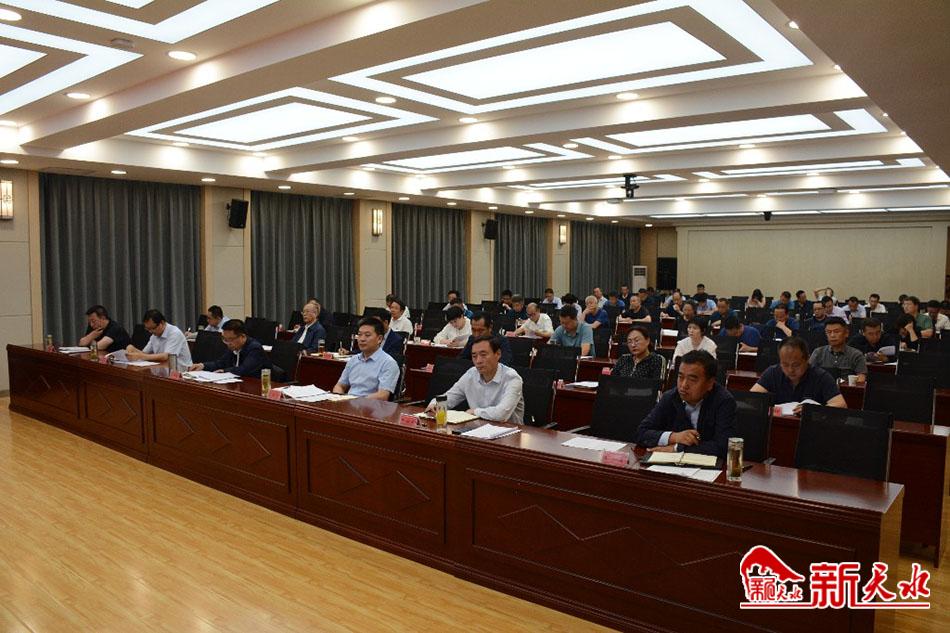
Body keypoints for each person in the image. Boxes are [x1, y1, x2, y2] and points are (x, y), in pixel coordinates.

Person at [635, 350, 736, 458]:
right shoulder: (670, 397)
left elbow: (724, 447)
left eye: (692, 379)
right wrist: (674, 437)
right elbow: (641, 433)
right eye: (680, 377)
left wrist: (677, 448)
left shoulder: (724, 402)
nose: (683, 385)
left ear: (710, 383)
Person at [428, 335, 524, 423]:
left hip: (508, 432)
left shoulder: (512, 378)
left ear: (498, 354)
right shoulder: (471, 374)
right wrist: (435, 404)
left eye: (483, 355)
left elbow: (502, 414)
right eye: (474, 356)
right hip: (476, 429)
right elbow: (450, 396)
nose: (478, 361)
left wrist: (474, 412)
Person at [751, 337, 846, 410]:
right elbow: (752, 398)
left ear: (807, 359)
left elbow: (841, 405)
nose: (790, 370)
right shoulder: (773, 372)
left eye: (796, 365)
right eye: (785, 364)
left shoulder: (821, 376)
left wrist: (811, 410)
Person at [331, 318, 400, 400]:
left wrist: (354, 401)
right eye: (359, 335)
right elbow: (340, 386)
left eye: (367, 335)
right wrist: (338, 398)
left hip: (370, 406)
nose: (362, 339)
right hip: (348, 403)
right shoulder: (353, 359)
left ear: (379, 339)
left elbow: (382, 396)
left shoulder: (388, 363)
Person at [188, 318, 270, 377]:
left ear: (242, 336)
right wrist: (203, 366)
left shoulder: (254, 348)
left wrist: (224, 371)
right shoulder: (233, 347)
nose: (228, 343)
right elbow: (220, 363)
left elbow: (244, 369)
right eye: (225, 339)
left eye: (230, 339)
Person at [126, 309, 193, 368]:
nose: (150, 332)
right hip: (162, 368)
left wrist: (140, 356)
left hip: (181, 371)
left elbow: (166, 356)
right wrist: (133, 349)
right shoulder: (154, 335)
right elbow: (144, 353)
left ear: (162, 323)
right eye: (148, 329)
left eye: (153, 328)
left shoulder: (175, 333)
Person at [809, 317, 867, 383]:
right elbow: (808, 375)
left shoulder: (856, 355)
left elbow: (861, 379)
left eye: (836, 331)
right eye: (829, 332)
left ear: (846, 333)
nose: (832, 335)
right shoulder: (818, 353)